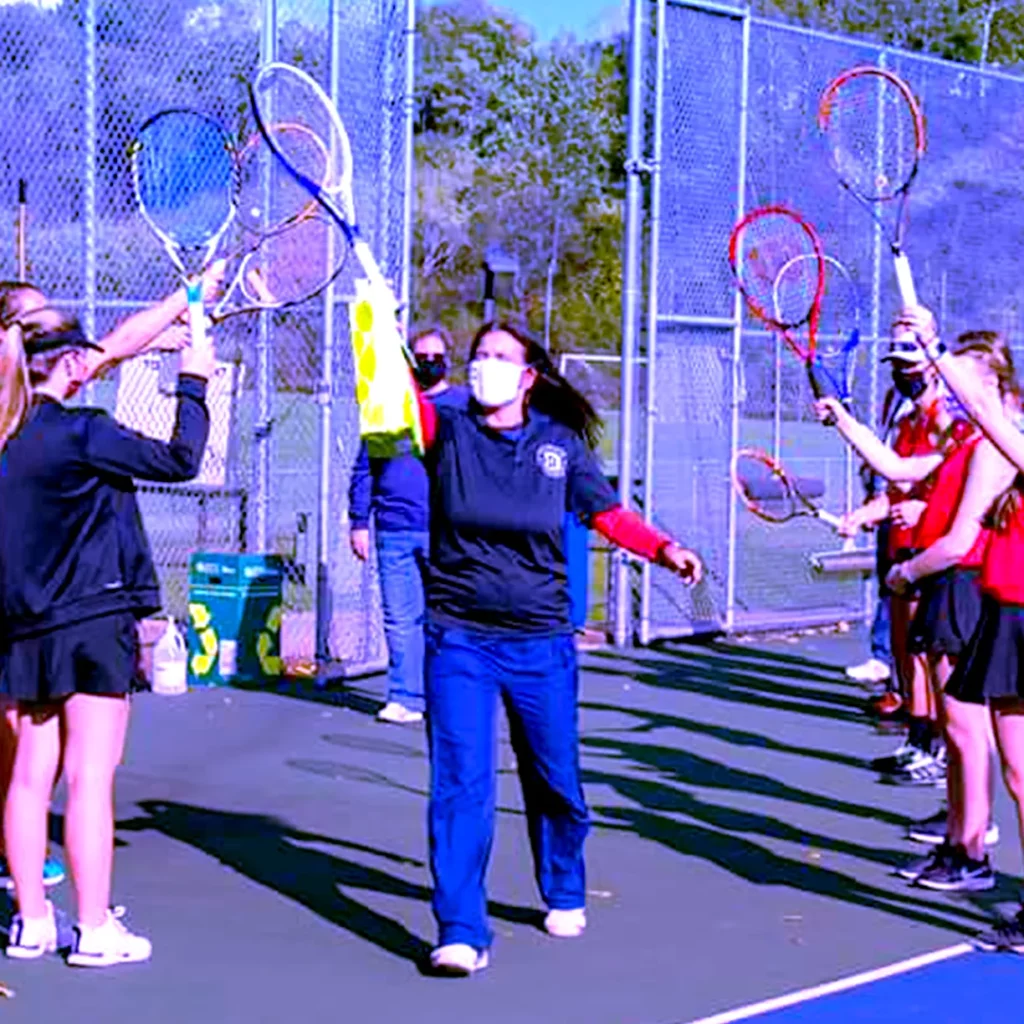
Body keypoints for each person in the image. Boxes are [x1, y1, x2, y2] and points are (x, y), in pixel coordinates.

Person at [417, 320, 702, 977]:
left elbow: (608, 514)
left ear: (527, 378)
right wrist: (373, 323)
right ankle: (462, 927)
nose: (483, 365)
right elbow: (388, 402)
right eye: (477, 355)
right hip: (458, 638)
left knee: (555, 778)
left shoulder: (558, 446)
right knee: (461, 784)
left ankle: (564, 885)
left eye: (499, 357)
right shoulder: (446, 431)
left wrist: (665, 548)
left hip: (541, 643)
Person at [0, 310, 211, 966]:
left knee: (29, 781)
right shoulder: (82, 432)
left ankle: (32, 920)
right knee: (90, 777)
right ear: (68, 362)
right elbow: (181, 459)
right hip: (91, 623)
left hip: (22, 631)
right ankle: (94, 929)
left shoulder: (7, 435)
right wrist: (195, 380)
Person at [820, 330, 1017, 892]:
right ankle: (959, 841)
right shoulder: (961, 440)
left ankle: (972, 847)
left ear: (989, 386)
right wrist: (845, 421)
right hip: (944, 583)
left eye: (960, 375)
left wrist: (908, 571)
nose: (947, 383)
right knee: (957, 731)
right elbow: (899, 468)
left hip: (961, 585)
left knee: (965, 729)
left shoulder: (993, 445)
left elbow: (959, 538)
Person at [348, 326, 455, 725]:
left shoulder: (460, 407)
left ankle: (445, 696)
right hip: (393, 529)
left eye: (435, 356)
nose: (427, 362)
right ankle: (405, 697)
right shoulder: (387, 406)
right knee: (400, 617)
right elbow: (365, 466)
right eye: (419, 355)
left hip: (444, 531)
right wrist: (359, 520)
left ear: (447, 361)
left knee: (444, 618)